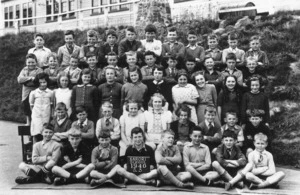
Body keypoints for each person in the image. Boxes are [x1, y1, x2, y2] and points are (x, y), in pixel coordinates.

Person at [17, 53, 43, 125]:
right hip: (26, 92)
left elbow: (37, 82)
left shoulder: (39, 70)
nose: (31, 64)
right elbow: (19, 80)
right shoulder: (24, 70)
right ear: (26, 62)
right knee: (26, 106)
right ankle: (28, 122)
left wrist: (26, 81)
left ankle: (36, 123)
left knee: (36, 107)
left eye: (32, 62)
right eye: (29, 62)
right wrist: (30, 78)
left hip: (36, 91)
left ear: (36, 62)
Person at [29, 72, 54, 143]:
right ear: (37, 83)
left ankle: (44, 150)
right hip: (36, 116)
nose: (43, 84)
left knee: (45, 134)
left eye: (44, 82)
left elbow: (52, 105)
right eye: (40, 82)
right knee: (36, 134)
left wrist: (51, 115)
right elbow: (31, 105)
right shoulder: (33, 93)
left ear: (47, 82)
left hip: (46, 116)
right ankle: (35, 151)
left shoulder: (51, 93)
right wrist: (34, 115)